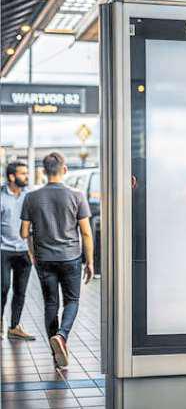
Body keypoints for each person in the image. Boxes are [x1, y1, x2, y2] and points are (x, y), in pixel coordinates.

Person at [20, 152, 94, 368]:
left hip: (44, 258)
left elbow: (25, 233)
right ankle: (62, 336)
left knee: (51, 303)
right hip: (71, 257)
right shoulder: (77, 195)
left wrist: (33, 248)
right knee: (72, 301)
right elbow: (86, 233)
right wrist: (89, 262)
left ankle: (56, 355)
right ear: (64, 170)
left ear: (43, 172)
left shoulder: (31, 197)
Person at [1, 161, 36, 341]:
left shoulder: (29, 196)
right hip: (3, 250)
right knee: (3, 288)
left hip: (23, 251)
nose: (26, 176)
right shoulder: (1, 195)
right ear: (12, 177)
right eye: (23, 173)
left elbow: (34, 224)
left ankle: (14, 326)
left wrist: (33, 250)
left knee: (20, 291)